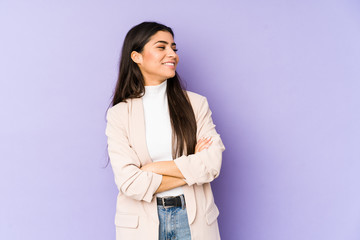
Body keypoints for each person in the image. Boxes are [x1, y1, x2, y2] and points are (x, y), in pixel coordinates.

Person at [105, 21, 226, 240]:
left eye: (174, 48)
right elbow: (130, 182)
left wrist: (153, 168)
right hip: (141, 224)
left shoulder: (196, 104)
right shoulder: (119, 115)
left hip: (194, 218)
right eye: (161, 47)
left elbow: (211, 164)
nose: (172, 54)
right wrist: (191, 171)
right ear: (136, 57)